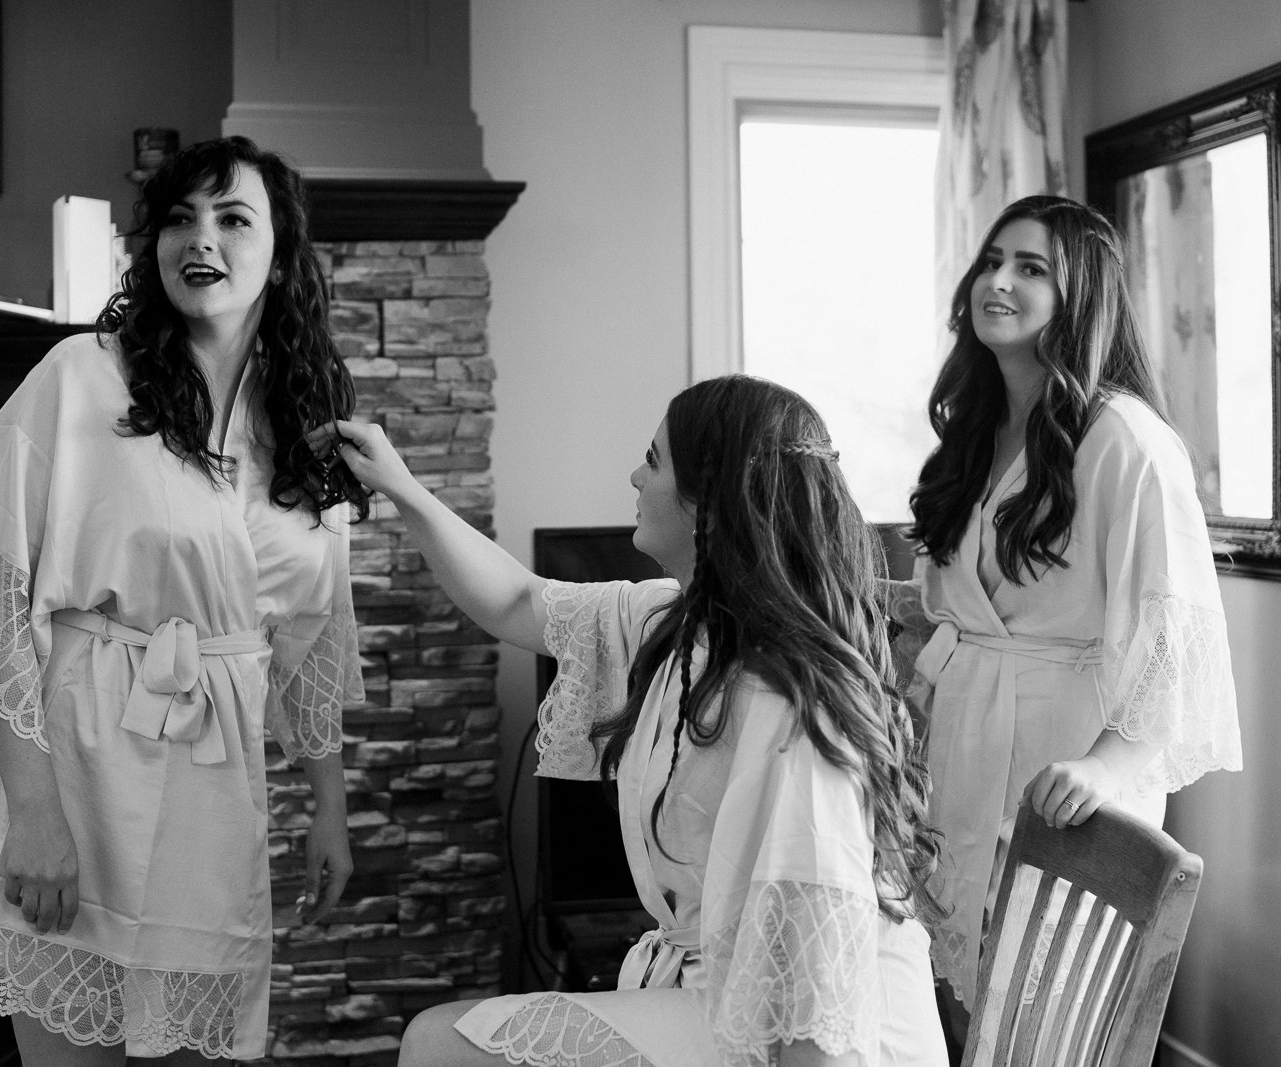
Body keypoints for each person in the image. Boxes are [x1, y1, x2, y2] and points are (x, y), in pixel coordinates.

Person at [0, 135, 369, 1063]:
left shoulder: (306, 433)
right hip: (77, 770)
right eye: (181, 218)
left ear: (281, 258)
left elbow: (311, 639)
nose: (203, 237)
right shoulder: (80, 378)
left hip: (213, 798)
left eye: (234, 218)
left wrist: (329, 804)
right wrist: (34, 813)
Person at [314, 375, 949, 1067]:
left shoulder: (787, 698)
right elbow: (516, 600)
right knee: (438, 1040)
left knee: (437, 1044)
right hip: (726, 997)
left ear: (711, 501)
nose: (634, 476)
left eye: (653, 459)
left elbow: (820, 978)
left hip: (821, 1031)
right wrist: (399, 484)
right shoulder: (675, 622)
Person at [899, 194, 1243, 1017]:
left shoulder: (1128, 442)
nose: (999, 281)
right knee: (946, 1002)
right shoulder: (975, 435)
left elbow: (1177, 645)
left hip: (1065, 766)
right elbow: (951, 607)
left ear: (1081, 295)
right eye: (991, 261)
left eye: (1030, 268)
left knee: (1037, 1013)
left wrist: (1103, 768)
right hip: (958, 751)